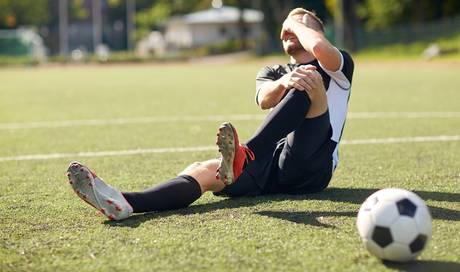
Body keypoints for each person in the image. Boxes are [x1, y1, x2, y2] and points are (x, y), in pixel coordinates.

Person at [66, 7, 354, 221]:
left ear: (317, 31)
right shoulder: (271, 72)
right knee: (204, 170)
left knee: (308, 79)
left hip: (313, 165)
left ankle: (246, 154)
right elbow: (265, 100)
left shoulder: (337, 66)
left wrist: (295, 20)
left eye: (300, 25)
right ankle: (125, 202)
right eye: (286, 28)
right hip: (271, 164)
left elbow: (317, 47)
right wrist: (283, 81)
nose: (290, 29)